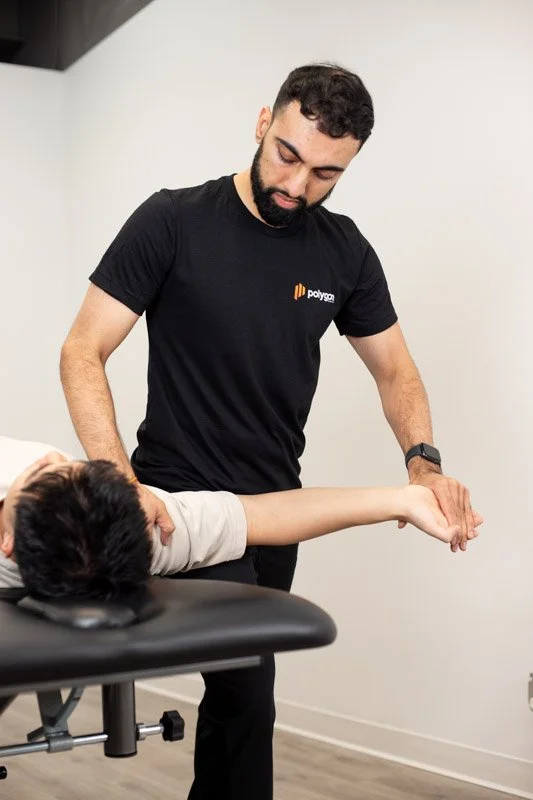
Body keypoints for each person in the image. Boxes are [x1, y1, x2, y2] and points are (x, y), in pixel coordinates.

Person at [59, 63, 483, 800]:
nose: (296, 185)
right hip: (178, 502)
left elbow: (395, 371)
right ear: (263, 122)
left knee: (238, 703)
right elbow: (82, 350)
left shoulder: (343, 252)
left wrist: (423, 465)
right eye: (288, 155)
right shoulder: (172, 220)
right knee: (249, 692)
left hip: (277, 510)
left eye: (325, 174)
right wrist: (118, 482)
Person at [0, 434, 475, 596]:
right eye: (45, 471)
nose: (52, 455)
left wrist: (401, 500)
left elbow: (264, 514)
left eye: (68, 465)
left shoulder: (131, 531)